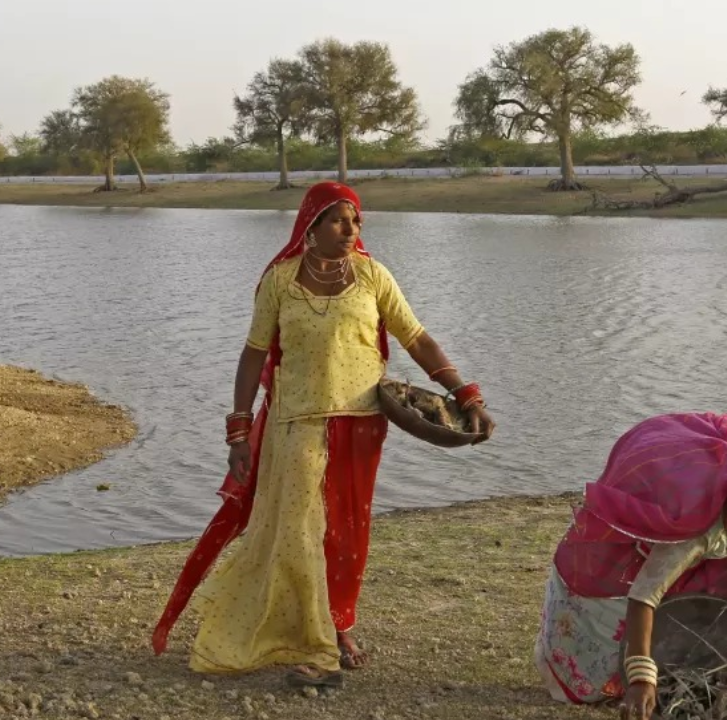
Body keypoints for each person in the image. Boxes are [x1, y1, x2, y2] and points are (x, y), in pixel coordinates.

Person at [152, 181, 495, 688]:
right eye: (338, 220)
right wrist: (239, 429)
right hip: (295, 423)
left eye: (356, 221)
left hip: (360, 422)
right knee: (297, 530)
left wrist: (465, 393)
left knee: (347, 530)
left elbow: (416, 338)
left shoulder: (373, 276)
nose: (351, 230)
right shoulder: (281, 280)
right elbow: (253, 354)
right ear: (309, 227)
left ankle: (338, 627)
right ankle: (315, 645)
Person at [534, 412, 727, 720]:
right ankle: (641, 671)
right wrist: (639, 679)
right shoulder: (690, 527)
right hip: (666, 514)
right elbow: (643, 596)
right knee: (620, 610)